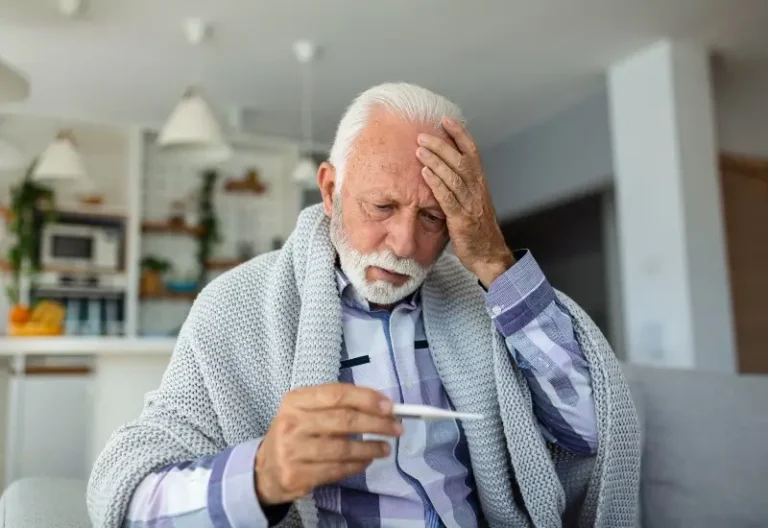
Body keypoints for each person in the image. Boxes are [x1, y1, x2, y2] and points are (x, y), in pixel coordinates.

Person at [88, 83, 640, 528]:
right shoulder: (237, 307)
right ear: (329, 190)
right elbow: (130, 494)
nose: (403, 244)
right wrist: (263, 474)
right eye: (381, 205)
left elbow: (590, 434)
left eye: (432, 218)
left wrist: (495, 260)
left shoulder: (481, 299)